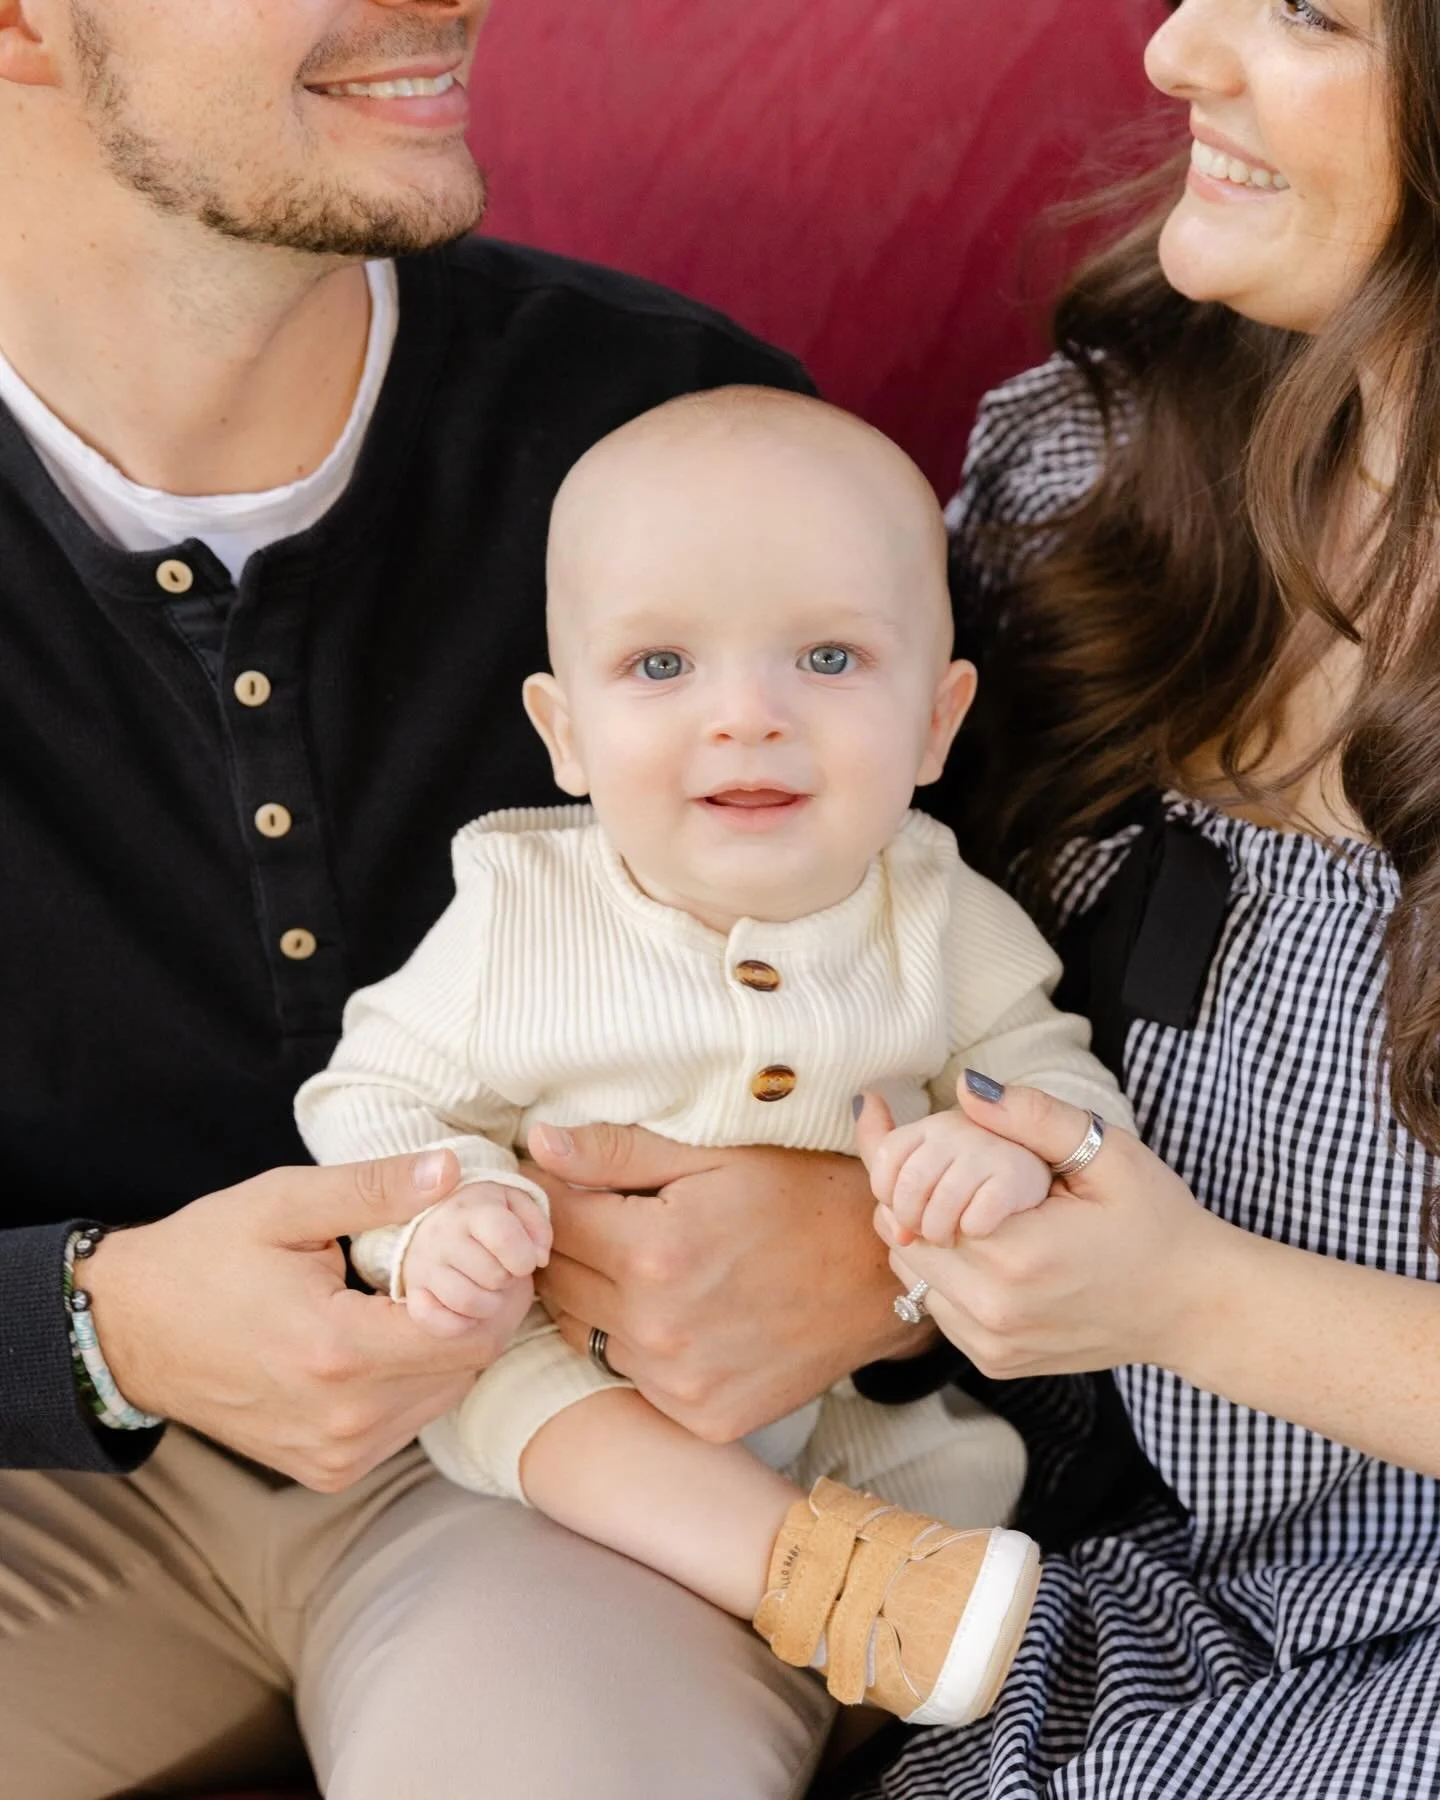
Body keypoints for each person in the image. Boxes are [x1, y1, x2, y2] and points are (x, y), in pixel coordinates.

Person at [0, 4, 939, 1795]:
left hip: (583, 1479)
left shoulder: (679, 432)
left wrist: (889, 1267)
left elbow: (1041, 1022)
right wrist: (86, 1329)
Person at [294, 385, 1135, 1725]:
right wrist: (451, 1216)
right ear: (565, 733)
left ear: (937, 720)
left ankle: (875, 1641)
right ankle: (823, 1587)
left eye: (829, 658)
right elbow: (373, 1090)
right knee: (517, 1391)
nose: (747, 716)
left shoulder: (943, 917)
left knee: (956, 1499)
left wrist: (1003, 1158)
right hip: (574, 1392)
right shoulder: (521, 912)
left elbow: (1061, 1088)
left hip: (862, 1431)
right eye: (661, 666)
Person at [844, 0, 1440, 1795]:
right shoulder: (1085, 472)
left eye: (1307, 9)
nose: (1177, 52)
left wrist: (1186, 1301)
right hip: (1097, 1574)